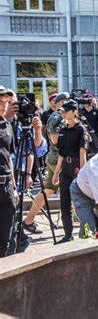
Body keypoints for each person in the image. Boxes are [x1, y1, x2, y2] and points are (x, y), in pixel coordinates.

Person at [22, 96, 65, 234]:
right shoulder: (57, 117)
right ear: (62, 102)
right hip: (58, 159)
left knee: (49, 190)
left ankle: (28, 220)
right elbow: (54, 139)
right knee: (71, 188)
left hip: (57, 158)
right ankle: (80, 221)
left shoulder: (60, 116)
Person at [52, 100, 89, 243]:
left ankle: (86, 231)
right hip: (65, 169)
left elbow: (82, 153)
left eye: (66, 111)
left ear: (74, 112)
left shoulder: (81, 129)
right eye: (62, 111)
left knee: (80, 201)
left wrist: (82, 173)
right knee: (64, 202)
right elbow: (61, 154)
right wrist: (56, 173)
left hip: (76, 166)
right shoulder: (62, 130)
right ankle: (68, 234)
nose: (64, 113)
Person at [0, 86, 19, 257]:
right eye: (0, 101)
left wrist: (13, 187)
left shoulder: (7, 125)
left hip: (6, 186)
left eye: (6, 102)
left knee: (6, 237)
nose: (4, 105)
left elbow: (9, 158)